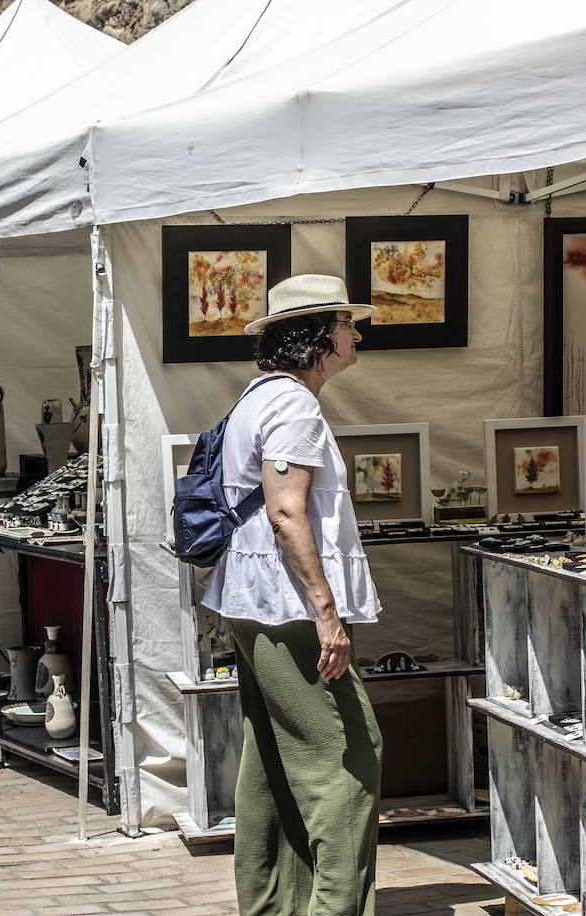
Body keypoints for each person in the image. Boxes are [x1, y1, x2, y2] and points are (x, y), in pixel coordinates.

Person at [202, 274, 384, 915]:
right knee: (350, 755)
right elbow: (285, 513)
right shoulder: (293, 405)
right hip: (288, 609)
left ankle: (273, 904)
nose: (356, 334)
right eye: (346, 323)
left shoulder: (256, 397)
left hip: (258, 604)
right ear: (316, 335)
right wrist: (326, 614)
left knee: (274, 760)